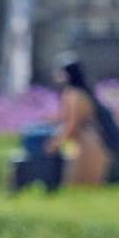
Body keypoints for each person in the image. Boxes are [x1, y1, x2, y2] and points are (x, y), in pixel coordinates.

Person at [44, 52, 112, 187]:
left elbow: (73, 124)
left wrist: (55, 143)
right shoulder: (78, 93)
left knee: (79, 184)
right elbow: (66, 118)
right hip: (87, 142)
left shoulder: (73, 94)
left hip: (86, 144)